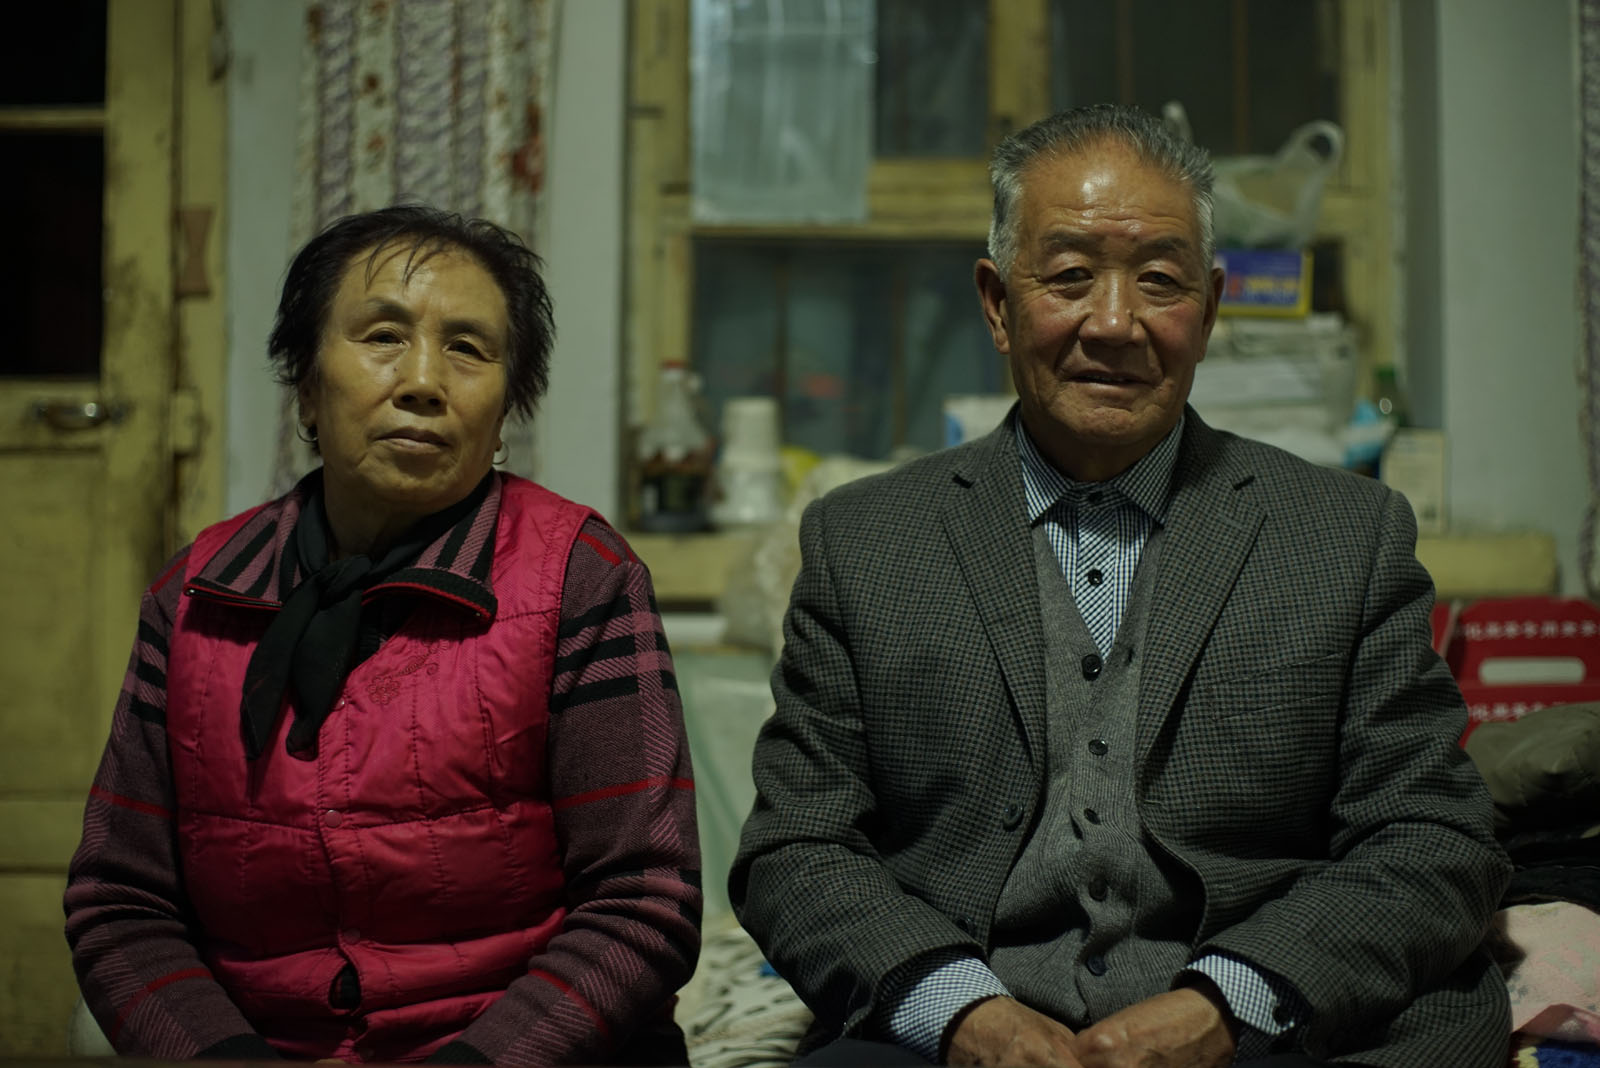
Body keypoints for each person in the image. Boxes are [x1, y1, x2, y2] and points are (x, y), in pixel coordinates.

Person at [731, 104, 1510, 1067]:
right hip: (964, 1031)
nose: (1113, 322)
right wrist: (964, 1015)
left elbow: (1433, 835)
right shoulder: (868, 542)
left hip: (1269, 1028)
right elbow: (798, 849)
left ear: (1210, 309)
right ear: (996, 303)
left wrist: (1223, 1005)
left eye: (1160, 281)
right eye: (1068, 276)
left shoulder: (1343, 535)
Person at [64, 206, 700, 1065]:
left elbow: (644, 904)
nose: (424, 381)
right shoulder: (198, 593)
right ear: (305, 385)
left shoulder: (582, 576)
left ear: (505, 411)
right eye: (383, 337)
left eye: (468, 349)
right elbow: (120, 903)